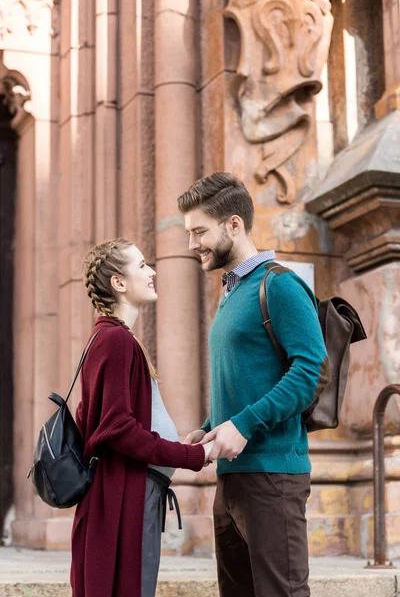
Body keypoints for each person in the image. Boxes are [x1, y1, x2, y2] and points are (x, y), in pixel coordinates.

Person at [178, 173, 331, 597]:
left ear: (233, 224)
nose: (192, 245)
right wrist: (212, 426)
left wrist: (242, 425)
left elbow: (311, 372)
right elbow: (249, 378)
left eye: (198, 232)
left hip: (274, 477)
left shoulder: (279, 284)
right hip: (232, 480)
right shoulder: (232, 291)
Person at [70, 238, 214, 597]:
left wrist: (176, 445)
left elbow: (105, 420)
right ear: (119, 283)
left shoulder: (110, 337)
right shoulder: (114, 339)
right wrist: (191, 456)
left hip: (124, 495)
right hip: (123, 500)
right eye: (142, 265)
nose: (152, 272)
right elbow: (118, 429)